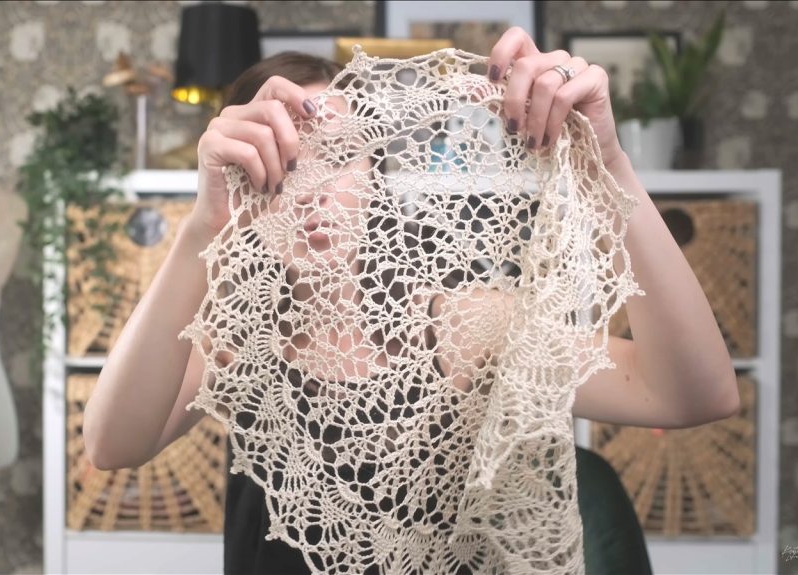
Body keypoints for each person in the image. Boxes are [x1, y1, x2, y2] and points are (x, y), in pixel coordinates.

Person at [83, 26, 740, 574]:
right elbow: (111, 444)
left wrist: (608, 164)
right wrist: (203, 228)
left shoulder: (461, 326)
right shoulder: (234, 340)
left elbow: (693, 395)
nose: (313, 189)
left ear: (375, 180)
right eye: (283, 161)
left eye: (338, 155)